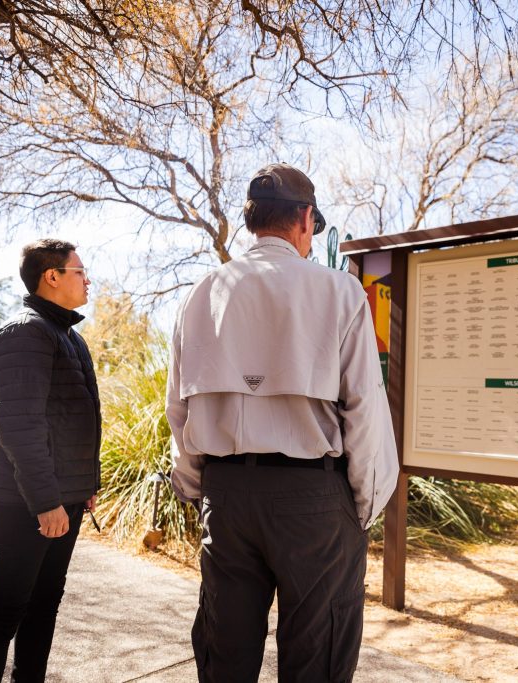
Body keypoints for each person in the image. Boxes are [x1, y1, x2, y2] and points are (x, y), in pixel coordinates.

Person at [166, 163, 399, 682]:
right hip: (311, 496)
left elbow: (178, 410)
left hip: (226, 495)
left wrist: (196, 488)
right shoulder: (339, 292)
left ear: (252, 221)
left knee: (225, 653)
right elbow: (363, 405)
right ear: (305, 218)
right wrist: (362, 503)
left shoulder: (200, 294)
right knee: (318, 655)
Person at [0, 239, 101, 682]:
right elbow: (19, 427)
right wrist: (46, 502)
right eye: (79, 271)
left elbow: (70, 418)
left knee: (43, 609)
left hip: (63, 500)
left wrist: (84, 485)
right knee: (5, 614)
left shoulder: (67, 336)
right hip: (28, 504)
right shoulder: (24, 333)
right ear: (52, 277)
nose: (87, 279)